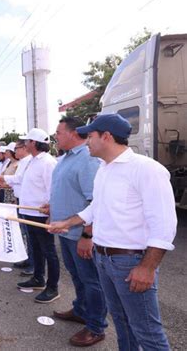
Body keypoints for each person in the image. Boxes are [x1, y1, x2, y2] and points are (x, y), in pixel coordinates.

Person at [49, 114, 177, 350]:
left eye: (90, 136)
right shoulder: (104, 169)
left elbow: (164, 225)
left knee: (147, 331)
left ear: (106, 136)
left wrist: (147, 267)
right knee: (122, 323)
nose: (87, 141)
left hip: (130, 262)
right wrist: (67, 222)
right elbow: (95, 207)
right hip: (104, 259)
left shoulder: (147, 169)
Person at [46, 117, 107, 347]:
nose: (56, 137)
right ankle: (81, 310)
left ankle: (96, 327)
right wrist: (51, 206)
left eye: (59, 132)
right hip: (65, 232)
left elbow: (95, 201)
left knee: (92, 281)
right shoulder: (65, 158)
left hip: (79, 234)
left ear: (73, 133)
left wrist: (87, 236)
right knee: (78, 277)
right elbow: (67, 190)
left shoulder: (87, 160)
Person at [14, 128, 60, 303]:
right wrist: (1, 178)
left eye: (27, 141)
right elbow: (21, 181)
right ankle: (38, 278)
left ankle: (53, 287)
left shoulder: (48, 162)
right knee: (36, 248)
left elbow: (52, 190)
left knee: (48, 251)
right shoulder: (33, 161)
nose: (25, 144)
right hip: (29, 211)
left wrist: (51, 214)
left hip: (41, 215)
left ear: (33, 143)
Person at [0, 139, 34, 275]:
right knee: (24, 232)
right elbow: (16, 181)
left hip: (24, 201)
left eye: (17, 149)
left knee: (29, 234)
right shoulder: (22, 162)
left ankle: (33, 264)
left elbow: (18, 180)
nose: (14, 151)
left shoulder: (27, 162)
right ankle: (28, 259)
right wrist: (0, 183)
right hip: (19, 200)